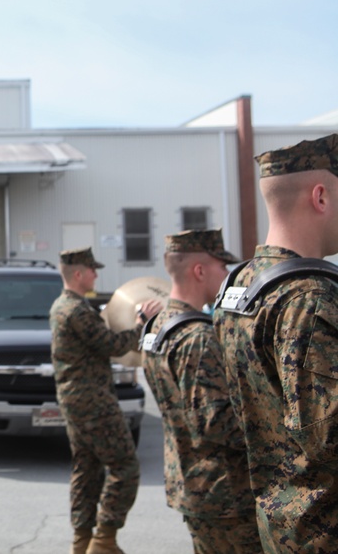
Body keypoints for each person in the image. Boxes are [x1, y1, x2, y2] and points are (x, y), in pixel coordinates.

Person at [213, 133, 338, 553]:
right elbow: (328, 437)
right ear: (320, 196)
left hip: (280, 523)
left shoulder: (239, 285)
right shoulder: (311, 297)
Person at [140, 229, 259, 553]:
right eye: (223, 267)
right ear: (200, 270)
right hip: (225, 493)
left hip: (192, 482)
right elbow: (216, 421)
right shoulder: (197, 337)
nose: (227, 275)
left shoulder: (157, 325)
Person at [49, 246, 162, 554]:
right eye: (92, 269)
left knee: (87, 470)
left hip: (77, 400)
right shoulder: (75, 310)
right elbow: (111, 345)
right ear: (78, 273)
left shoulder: (66, 306)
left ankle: (82, 542)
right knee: (125, 466)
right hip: (93, 402)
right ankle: (104, 541)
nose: (96, 275)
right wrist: (142, 324)